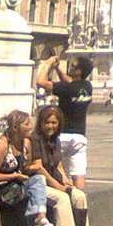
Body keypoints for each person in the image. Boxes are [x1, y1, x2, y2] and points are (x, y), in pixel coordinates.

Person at [29, 106, 101, 226]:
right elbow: (39, 167)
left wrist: (65, 179)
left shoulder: (56, 140)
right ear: (41, 123)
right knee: (62, 198)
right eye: (47, 122)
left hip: (54, 180)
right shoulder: (34, 139)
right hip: (39, 183)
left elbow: (58, 163)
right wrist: (56, 184)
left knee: (79, 195)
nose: (51, 126)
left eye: (54, 123)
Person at [0, 111, 57, 226]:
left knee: (38, 180)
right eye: (26, 124)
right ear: (15, 127)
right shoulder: (0, 146)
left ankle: (41, 219)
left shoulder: (26, 143)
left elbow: (25, 168)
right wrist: (15, 175)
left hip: (15, 185)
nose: (31, 126)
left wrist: (33, 168)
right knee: (33, 193)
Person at [36, 55, 93, 190]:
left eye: (73, 66)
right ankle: (79, 203)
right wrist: (58, 69)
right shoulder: (87, 86)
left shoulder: (66, 89)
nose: (70, 67)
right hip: (79, 137)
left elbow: (40, 82)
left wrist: (48, 63)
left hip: (62, 135)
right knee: (78, 174)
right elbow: (68, 81)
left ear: (79, 71)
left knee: (54, 168)